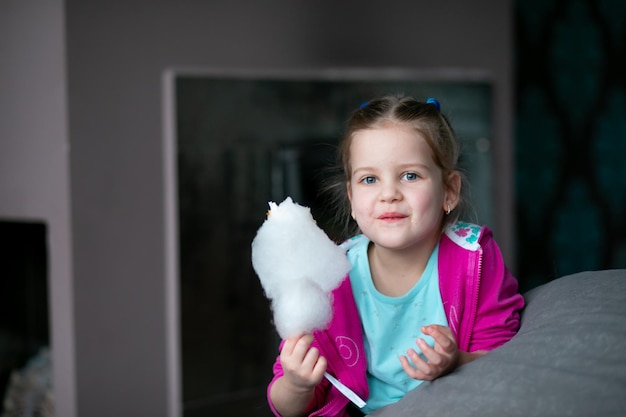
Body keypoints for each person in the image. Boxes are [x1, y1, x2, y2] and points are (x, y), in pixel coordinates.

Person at [267, 95, 525, 417]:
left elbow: (509, 358)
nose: (389, 194)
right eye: (370, 179)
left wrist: (457, 360)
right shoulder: (331, 274)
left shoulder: (474, 258)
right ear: (351, 196)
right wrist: (297, 384)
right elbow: (286, 407)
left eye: (410, 176)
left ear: (449, 191)